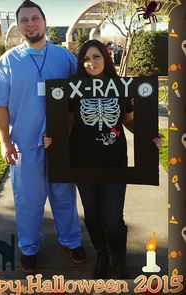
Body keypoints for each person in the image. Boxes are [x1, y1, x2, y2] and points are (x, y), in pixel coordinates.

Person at [44, 39, 164, 279]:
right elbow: (68, 123)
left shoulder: (121, 87)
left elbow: (129, 120)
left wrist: (149, 136)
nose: (91, 63)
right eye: (86, 58)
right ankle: (102, 255)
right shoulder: (73, 89)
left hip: (114, 162)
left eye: (96, 56)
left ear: (106, 58)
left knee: (112, 216)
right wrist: (54, 139)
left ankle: (119, 258)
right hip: (83, 162)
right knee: (92, 214)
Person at [0, 0, 86, 276]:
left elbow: (81, 97)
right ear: (19, 26)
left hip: (60, 144)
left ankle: (71, 241)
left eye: (35, 18)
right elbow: (0, 107)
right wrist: (5, 142)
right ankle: (29, 248)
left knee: (64, 196)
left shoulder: (64, 58)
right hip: (25, 146)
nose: (30, 24)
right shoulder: (8, 61)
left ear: (44, 21)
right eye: (25, 20)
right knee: (28, 200)